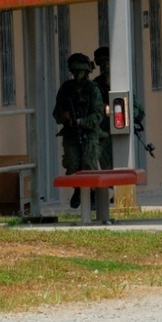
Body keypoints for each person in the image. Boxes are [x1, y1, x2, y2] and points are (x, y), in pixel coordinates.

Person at [52, 52, 106, 208]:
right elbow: (56, 113)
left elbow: (98, 115)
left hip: (89, 132)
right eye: (74, 72)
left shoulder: (92, 89)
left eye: (80, 72)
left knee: (89, 163)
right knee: (73, 164)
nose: (76, 75)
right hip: (71, 133)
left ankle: (92, 194)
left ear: (87, 72)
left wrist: (82, 122)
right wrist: (66, 116)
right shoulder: (66, 89)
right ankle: (78, 190)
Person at [92, 46, 145, 170]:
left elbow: (137, 109)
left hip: (120, 131)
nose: (105, 66)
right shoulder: (96, 85)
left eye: (107, 62)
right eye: (102, 63)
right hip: (103, 132)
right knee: (108, 168)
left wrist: (124, 112)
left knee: (122, 167)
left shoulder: (122, 81)